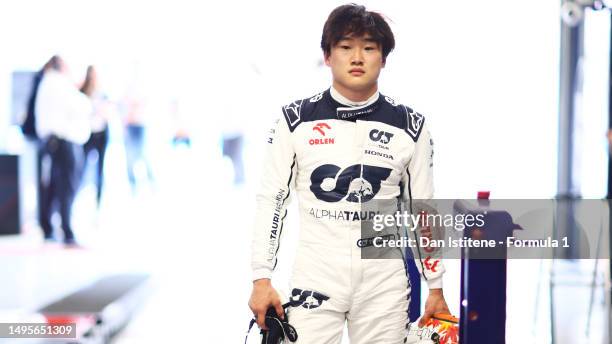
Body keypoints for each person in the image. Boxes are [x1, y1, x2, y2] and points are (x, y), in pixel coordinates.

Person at [249, 4, 450, 343]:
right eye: (345, 47)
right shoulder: (295, 120)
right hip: (316, 276)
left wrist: (436, 286)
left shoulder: (411, 126)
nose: (357, 57)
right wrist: (261, 279)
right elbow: (272, 200)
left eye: (369, 48)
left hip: (383, 280)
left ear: (383, 58)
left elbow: (423, 211)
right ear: (328, 56)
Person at [35, 56, 92, 246]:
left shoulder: (48, 82)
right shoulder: (57, 83)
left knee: (54, 185)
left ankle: (51, 227)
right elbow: (79, 105)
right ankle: (67, 230)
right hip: (63, 140)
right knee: (66, 186)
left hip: (55, 140)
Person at [81, 65, 110, 207]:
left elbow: (108, 113)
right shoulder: (82, 92)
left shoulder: (103, 93)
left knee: (100, 170)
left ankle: (98, 205)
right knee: (82, 167)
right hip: (88, 134)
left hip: (102, 134)